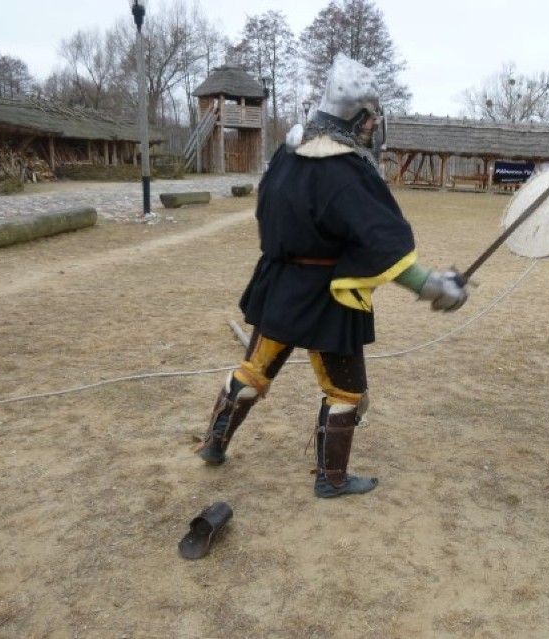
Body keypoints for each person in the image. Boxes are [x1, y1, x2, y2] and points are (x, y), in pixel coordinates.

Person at [195, 53, 469, 498]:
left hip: (280, 289)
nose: (372, 125)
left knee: (253, 371)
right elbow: (381, 242)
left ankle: (214, 445)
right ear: (358, 115)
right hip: (326, 299)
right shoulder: (345, 170)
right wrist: (433, 286)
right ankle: (332, 479)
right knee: (346, 394)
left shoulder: (287, 156)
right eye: (371, 116)